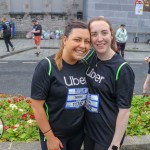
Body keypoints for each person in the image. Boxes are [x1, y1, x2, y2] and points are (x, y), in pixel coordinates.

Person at [30, 20, 90, 150]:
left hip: (78, 134)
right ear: (65, 40)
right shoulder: (47, 66)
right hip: (55, 136)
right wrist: (50, 138)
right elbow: (36, 106)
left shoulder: (85, 66)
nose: (83, 45)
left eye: (87, 41)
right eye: (77, 39)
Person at [84, 17, 135, 150]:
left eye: (104, 33)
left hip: (107, 135)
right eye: (94, 34)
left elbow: (125, 109)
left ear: (112, 35)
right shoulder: (91, 57)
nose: (99, 38)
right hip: (89, 129)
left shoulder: (122, 69)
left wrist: (115, 144)